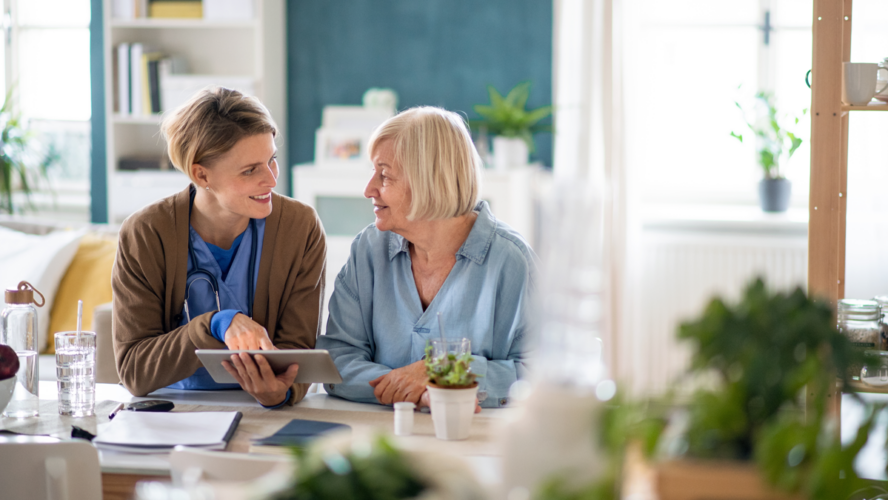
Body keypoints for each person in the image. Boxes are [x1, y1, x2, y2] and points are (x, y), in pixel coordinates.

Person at [112, 87, 326, 408]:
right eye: (250, 170)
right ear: (201, 174)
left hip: (262, 412)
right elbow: (134, 369)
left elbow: (298, 354)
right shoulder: (145, 233)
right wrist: (215, 324)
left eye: (272, 161)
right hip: (171, 411)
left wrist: (280, 391)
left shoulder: (300, 227)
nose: (271, 180)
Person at [316, 106, 534, 409]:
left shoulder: (513, 262)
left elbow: (540, 375)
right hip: (380, 433)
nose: (369, 189)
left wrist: (442, 371)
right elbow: (337, 359)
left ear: (429, 181)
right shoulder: (368, 249)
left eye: (385, 175)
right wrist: (420, 390)